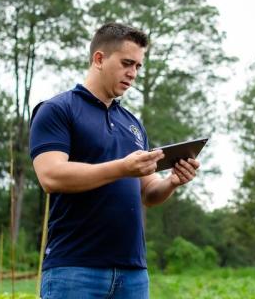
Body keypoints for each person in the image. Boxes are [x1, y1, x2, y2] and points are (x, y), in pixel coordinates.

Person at [29, 22, 200, 299]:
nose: (132, 74)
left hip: (133, 273)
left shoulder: (132, 124)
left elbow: (148, 192)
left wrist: (172, 182)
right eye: (126, 63)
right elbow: (51, 176)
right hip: (74, 270)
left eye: (138, 67)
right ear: (99, 59)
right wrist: (122, 168)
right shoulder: (57, 110)